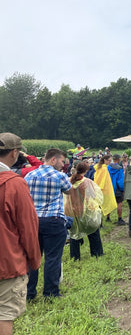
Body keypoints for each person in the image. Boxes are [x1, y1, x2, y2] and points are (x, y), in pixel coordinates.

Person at [0, 133, 40, 334]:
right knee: (5, 314)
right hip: (7, 261)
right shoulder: (14, 184)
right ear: (14, 153)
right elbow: (28, 227)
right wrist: (34, 260)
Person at [25, 148, 73, 300]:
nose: (63, 165)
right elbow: (69, 191)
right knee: (53, 257)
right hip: (54, 220)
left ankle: (29, 292)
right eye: (61, 161)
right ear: (53, 160)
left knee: (33, 257)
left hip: (33, 221)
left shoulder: (29, 175)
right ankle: (50, 292)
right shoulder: (60, 176)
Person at [65, 161, 104, 261]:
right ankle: (97, 253)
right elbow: (95, 195)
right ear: (86, 170)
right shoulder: (86, 182)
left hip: (71, 210)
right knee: (93, 230)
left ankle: (75, 257)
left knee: (74, 233)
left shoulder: (69, 180)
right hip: (85, 209)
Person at [94, 154, 117, 222]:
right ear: (105, 160)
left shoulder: (100, 167)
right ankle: (101, 221)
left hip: (101, 189)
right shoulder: (104, 169)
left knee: (101, 205)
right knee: (104, 204)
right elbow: (102, 180)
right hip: (104, 190)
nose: (110, 162)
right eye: (109, 160)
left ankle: (102, 221)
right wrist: (100, 189)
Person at [108, 154, 126, 225]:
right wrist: (123, 189)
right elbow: (120, 181)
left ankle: (108, 218)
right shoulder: (119, 168)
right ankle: (119, 218)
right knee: (119, 203)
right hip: (117, 188)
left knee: (109, 203)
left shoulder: (108, 167)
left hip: (109, 187)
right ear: (119, 159)